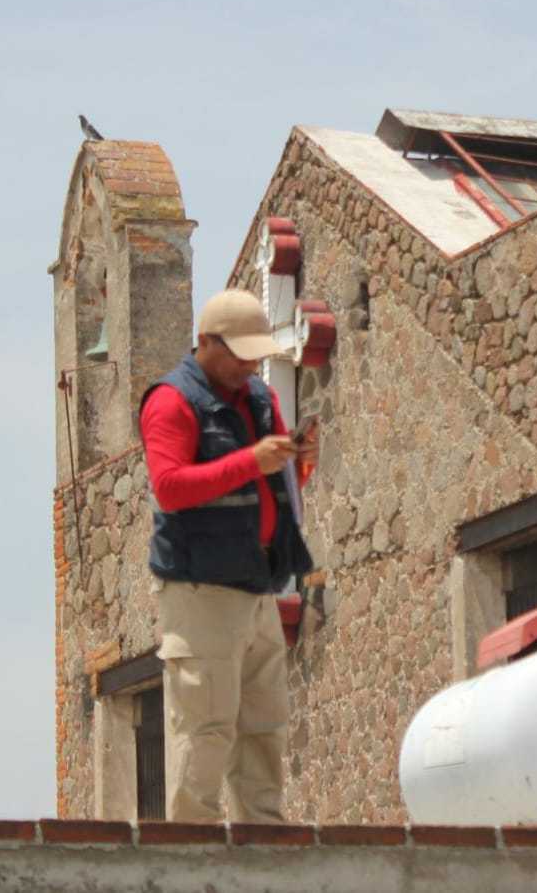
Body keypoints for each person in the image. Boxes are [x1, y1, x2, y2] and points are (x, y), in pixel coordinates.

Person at [138, 289, 318, 823]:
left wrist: (298, 461)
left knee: (264, 723)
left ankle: (264, 842)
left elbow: (278, 484)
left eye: (255, 354)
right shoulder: (170, 401)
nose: (251, 363)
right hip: (200, 591)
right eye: (239, 354)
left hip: (257, 585)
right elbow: (169, 487)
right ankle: (192, 851)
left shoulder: (261, 399)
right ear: (205, 343)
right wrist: (251, 462)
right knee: (206, 728)